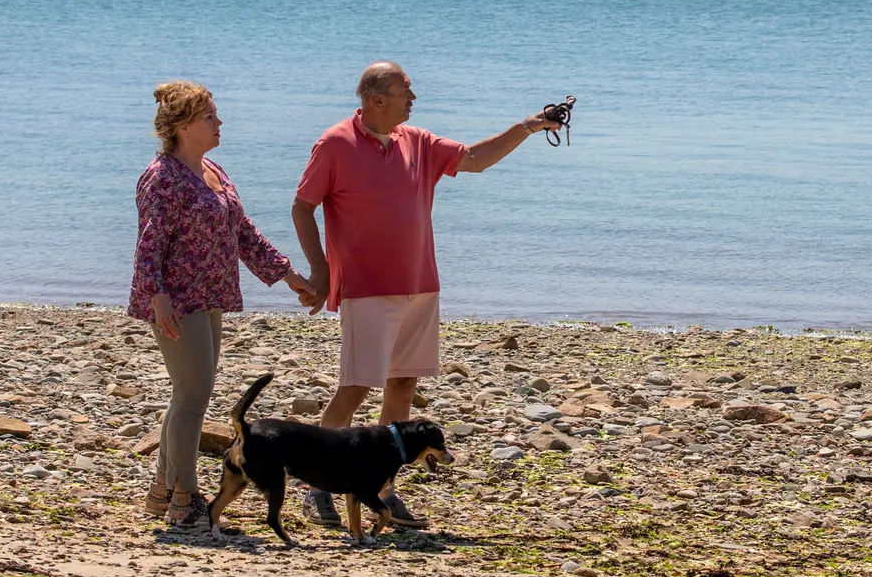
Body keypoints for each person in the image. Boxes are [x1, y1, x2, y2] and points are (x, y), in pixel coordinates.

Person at [290, 61, 562, 529]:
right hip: (366, 287)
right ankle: (319, 486)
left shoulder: (415, 140)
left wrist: (530, 126)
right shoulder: (335, 143)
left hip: (421, 284)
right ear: (376, 99)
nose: (412, 97)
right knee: (355, 388)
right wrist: (319, 269)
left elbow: (475, 159)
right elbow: (302, 207)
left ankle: (382, 489)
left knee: (403, 384)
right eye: (404, 90)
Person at [129, 80, 316, 531]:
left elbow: (243, 235)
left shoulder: (213, 170)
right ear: (182, 126)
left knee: (190, 395)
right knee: (193, 398)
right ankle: (187, 501)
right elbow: (149, 244)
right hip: (176, 301)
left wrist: (289, 277)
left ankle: (164, 492)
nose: (220, 122)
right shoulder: (162, 177)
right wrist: (158, 299)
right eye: (210, 116)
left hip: (210, 296)